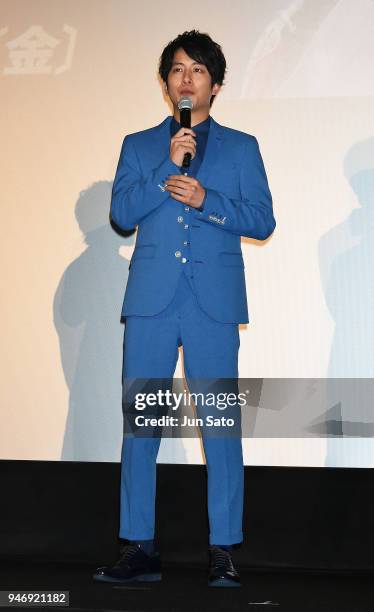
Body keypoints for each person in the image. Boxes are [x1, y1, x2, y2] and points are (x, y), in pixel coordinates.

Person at [93, 30, 275, 588]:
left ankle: (223, 550)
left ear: (214, 85)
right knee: (141, 427)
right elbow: (123, 213)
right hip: (151, 301)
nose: (186, 79)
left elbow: (262, 220)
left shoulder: (242, 148)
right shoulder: (139, 144)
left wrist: (208, 201)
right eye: (177, 70)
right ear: (166, 82)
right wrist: (162, 170)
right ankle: (139, 548)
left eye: (197, 71)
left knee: (219, 427)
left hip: (211, 306)